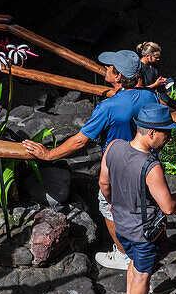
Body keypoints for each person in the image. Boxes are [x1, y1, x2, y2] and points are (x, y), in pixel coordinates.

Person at [23, 49, 158, 271]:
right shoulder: (148, 95)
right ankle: (146, 242)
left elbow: (79, 141)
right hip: (144, 163)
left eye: (109, 67)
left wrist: (48, 154)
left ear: (118, 77)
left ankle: (125, 255)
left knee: (109, 207)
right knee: (142, 203)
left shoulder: (108, 108)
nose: (105, 69)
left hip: (118, 168)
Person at [98, 103, 176, 294]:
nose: (169, 138)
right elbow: (167, 207)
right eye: (166, 132)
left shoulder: (113, 147)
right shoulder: (150, 166)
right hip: (143, 231)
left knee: (134, 263)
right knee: (142, 274)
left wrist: (112, 203)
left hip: (121, 224)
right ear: (152, 132)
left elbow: (103, 183)